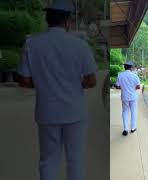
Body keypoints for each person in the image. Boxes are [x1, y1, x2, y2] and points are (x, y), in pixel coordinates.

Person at [16, 0, 97, 180]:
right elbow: (91, 81)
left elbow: (23, 79)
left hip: (47, 112)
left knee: (48, 160)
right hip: (75, 113)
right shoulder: (80, 45)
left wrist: (44, 84)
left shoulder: (32, 44)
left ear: (47, 19)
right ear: (67, 21)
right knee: (75, 160)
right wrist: (74, 84)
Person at [115, 61, 141, 136]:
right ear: (131, 67)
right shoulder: (135, 75)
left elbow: (117, 86)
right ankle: (133, 128)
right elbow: (138, 87)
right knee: (133, 111)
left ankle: (125, 129)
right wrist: (132, 88)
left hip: (124, 96)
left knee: (125, 111)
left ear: (124, 67)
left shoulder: (120, 75)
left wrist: (123, 87)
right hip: (133, 97)